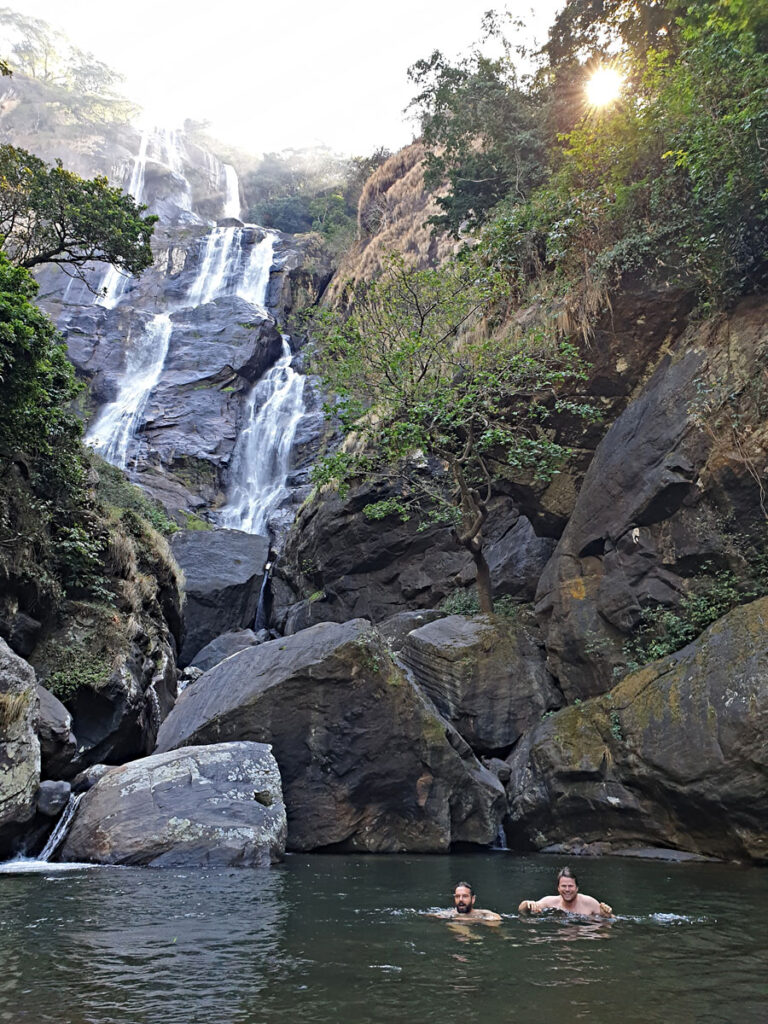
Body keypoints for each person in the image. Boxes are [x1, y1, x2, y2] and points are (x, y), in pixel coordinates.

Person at [518, 866, 613, 917]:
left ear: (577, 888)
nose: (567, 890)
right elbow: (521, 910)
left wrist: (607, 915)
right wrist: (526, 904)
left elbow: (610, 922)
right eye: (563, 886)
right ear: (558, 888)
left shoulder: (589, 902)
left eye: (570, 886)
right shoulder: (550, 902)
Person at [431, 881, 502, 923]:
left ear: (473, 899)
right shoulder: (447, 914)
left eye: (465, 896)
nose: (460, 899)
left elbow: (497, 919)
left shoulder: (483, 914)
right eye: (457, 896)